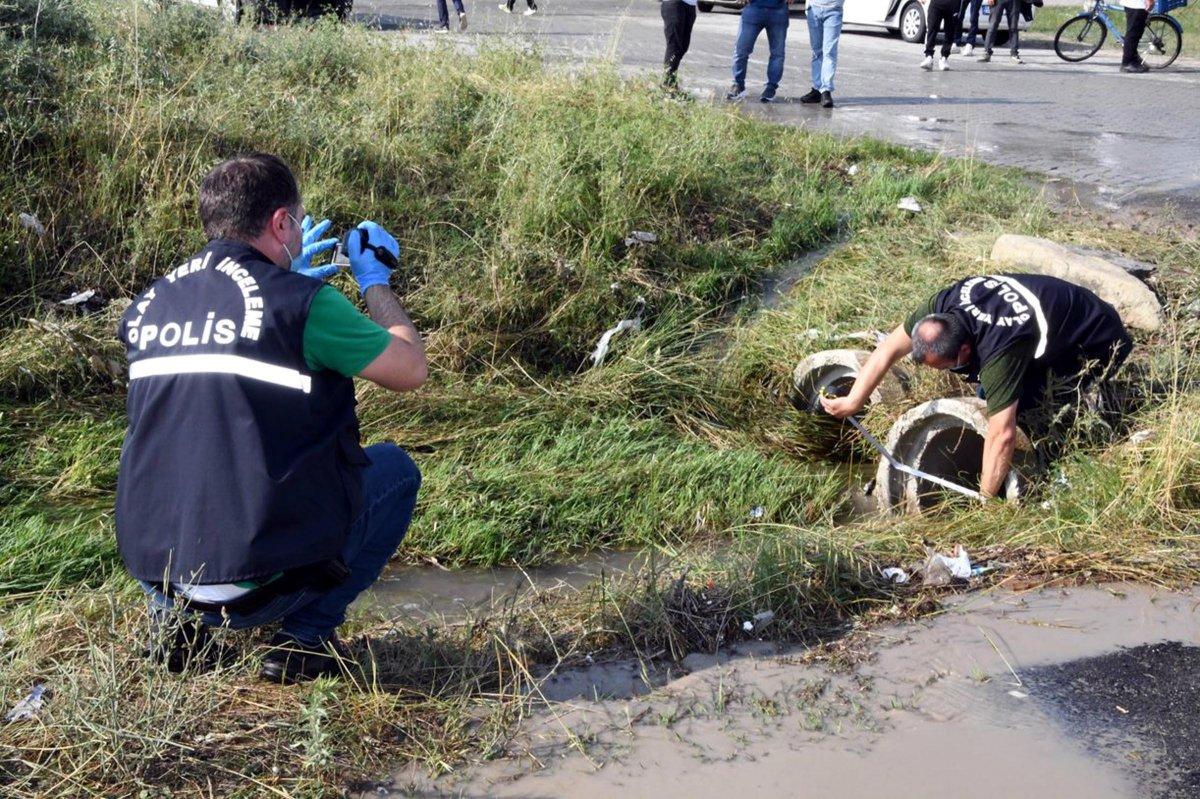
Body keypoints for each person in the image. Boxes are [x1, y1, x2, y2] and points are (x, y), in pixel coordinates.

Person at [116, 153, 428, 684]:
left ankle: (178, 631)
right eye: (296, 223)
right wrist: (373, 280)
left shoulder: (149, 305)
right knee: (395, 472)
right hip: (257, 585)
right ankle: (305, 640)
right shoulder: (304, 304)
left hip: (157, 572)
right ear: (282, 222)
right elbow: (410, 368)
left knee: (185, 443)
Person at [820, 274, 1132, 499]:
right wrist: (853, 401)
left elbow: (1002, 433)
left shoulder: (1000, 352)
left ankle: (1057, 456)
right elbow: (888, 349)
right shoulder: (939, 310)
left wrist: (985, 499)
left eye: (947, 366)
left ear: (966, 352)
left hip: (1095, 338)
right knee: (993, 398)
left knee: (1036, 410)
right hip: (1051, 312)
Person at [727, 0, 792, 104]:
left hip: (778, 10)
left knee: (777, 53)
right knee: (741, 50)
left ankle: (771, 87)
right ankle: (738, 84)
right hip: (753, 8)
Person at [801, 0, 843, 108]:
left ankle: (826, 90)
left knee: (829, 52)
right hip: (814, 9)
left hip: (833, 10)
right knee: (816, 52)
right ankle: (817, 89)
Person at [661, 0, 699, 90]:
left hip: (690, 4)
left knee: (683, 46)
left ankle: (671, 81)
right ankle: (668, 83)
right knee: (674, 46)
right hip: (674, 4)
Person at [921, 0, 959, 70]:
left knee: (950, 31)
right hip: (936, 3)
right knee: (932, 28)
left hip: (953, 4)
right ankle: (929, 56)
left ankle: (944, 57)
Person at [1120, 0, 1155, 73]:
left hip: (1136, 4)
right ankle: (1127, 63)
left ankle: (1134, 59)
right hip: (1136, 4)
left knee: (1136, 33)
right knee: (1133, 34)